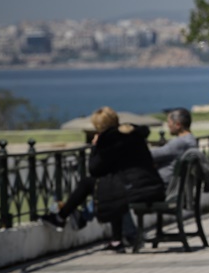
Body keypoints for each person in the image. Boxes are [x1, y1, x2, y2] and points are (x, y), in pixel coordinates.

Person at [40, 107, 165, 252]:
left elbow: (94, 169)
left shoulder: (110, 139)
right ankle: (117, 239)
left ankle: (61, 217)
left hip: (136, 189)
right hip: (151, 185)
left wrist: (95, 146)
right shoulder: (133, 134)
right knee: (110, 188)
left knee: (89, 183)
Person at [151, 108, 198, 185]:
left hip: (164, 187)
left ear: (178, 125)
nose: (168, 125)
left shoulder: (180, 143)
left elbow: (150, 155)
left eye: (169, 122)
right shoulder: (191, 140)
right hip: (176, 186)